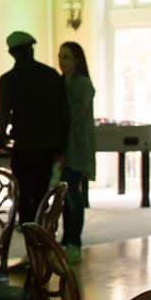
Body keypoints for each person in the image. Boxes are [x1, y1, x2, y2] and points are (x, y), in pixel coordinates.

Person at [0, 31, 67, 225]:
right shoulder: (50, 75)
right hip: (47, 146)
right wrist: (61, 145)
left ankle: (29, 235)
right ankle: (43, 232)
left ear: (11, 53)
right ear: (30, 49)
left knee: (24, 195)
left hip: (24, 146)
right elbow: (63, 113)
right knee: (43, 193)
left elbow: (3, 113)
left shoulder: (8, 79)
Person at [58, 41, 95, 260]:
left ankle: (75, 241)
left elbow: (75, 115)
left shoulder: (83, 85)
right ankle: (65, 238)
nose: (62, 62)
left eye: (67, 57)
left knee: (73, 195)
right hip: (62, 148)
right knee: (63, 197)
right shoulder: (60, 83)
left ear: (77, 60)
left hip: (76, 147)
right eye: (60, 57)